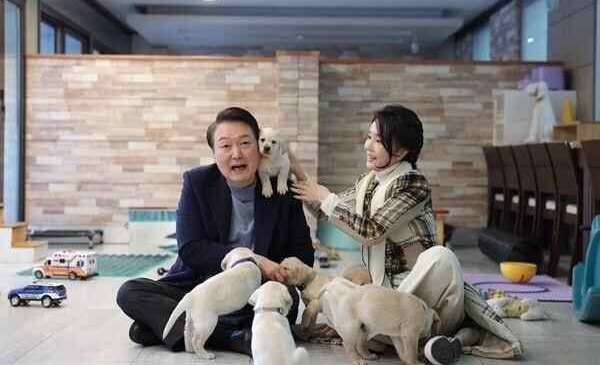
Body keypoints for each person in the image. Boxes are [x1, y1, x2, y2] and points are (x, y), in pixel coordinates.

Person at [290, 105, 523, 365]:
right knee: (334, 288)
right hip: (383, 297)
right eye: (368, 137)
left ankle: (423, 334)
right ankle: (409, 340)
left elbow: (372, 231)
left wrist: (324, 197)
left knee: (441, 258)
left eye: (378, 141)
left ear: (401, 151)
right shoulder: (367, 182)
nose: (368, 145)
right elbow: (323, 211)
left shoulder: (413, 183)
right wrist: (296, 174)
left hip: (420, 297)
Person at [116, 107, 314, 355]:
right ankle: (232, 337)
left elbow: (304, 257)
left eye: (245, 143)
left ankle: (175, 329)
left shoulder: (282, 191)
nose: (237, 154)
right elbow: (191, 249)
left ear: (259, 147)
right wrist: (255, 259)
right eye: (226, 146)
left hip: (253, 291)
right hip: (199, 286)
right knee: (130, 292)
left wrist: (280, 271)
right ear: (214, 152)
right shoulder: (198, 182)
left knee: (284, 302)